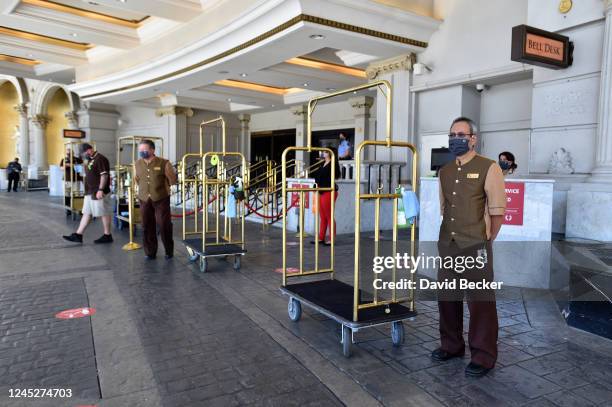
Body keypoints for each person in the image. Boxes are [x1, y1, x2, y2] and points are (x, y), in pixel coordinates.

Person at [431, 117, 506, 378]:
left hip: (476, 246)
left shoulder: (489, 167)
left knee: (480, 303)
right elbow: (444, 210)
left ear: (473, 138)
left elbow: (497, 211)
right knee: (447, 300)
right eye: (452, 135)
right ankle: (451, 346)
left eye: (461, 134)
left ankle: (483, 356)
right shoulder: (446, 171)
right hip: (448, 245)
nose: (456, 139)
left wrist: (486, 240)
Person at [134, 140, 177, 260]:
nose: (142, 152)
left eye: (145, 150)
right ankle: (150, 252)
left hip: (161, 198)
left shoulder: (164, 163)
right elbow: (137, 179)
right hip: (144, 199)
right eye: (140, 150)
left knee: (164, 224)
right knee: (147, 225)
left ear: (152, 150)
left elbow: (172, 180)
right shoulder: (137, 164)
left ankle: (169, 251)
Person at [63, 143, 113, 244]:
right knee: (86, 213)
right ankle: (78, 235)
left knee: (104, 212)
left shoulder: (100, 159)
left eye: (83, 153)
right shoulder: (89, 159)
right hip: (89, 191)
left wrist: (101, 189)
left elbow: (104, 175)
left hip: (98, 191)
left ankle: (107, 235)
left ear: (89, 150)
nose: (83, 155)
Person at [311, 147, 341, 245]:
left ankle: (332, 239)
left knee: (329, 216)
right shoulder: (322, 164)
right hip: (321, 190)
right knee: (322, 216)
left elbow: (335, 176)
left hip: (329, 191)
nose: (323, 153)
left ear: (330, 153)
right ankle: (321, 238)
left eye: (325, 151)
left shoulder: (333, 164)